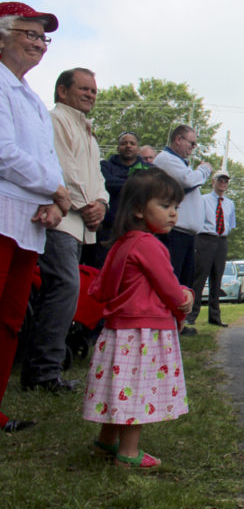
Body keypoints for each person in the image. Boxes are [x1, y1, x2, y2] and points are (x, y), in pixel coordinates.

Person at [83, 168, 193, 469]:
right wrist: (185, 297)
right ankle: (129, 454)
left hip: (117, 332)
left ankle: (105, 441)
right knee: (136, 391)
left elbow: (102, 287)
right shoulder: (149, 245)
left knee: (119, 386)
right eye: (165, 206)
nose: (173, 214)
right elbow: (169, 287)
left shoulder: (120, 244)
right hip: (142, 332)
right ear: (138, 210)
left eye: (176, 208)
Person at [0, 1, 70, 432]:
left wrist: (57, 200)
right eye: (29, 34)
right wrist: (56, 189)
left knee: (9, 320)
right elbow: (5, 153)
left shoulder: (28, 94)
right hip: (4, 214)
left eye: (43, 38)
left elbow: (46, 158)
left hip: (29, 222)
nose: (39, 45)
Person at [21, 67, 109, 393]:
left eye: (94, 91)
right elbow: (62, 169)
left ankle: (43, 369)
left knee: (63, 292)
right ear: (62, 91)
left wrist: (102, 203)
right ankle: (43, 372)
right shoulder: (55, 120)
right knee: (63, 290)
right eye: (84, 89)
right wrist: (88, 205)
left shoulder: (86, 129)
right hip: (61, 218)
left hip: (79, 222)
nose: (91, 95)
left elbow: (96, 176)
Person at [152, 125, 211, 336]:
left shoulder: (180, 163)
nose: (193, 148)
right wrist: (204, 169)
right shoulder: (166, 160)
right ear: (178, 139)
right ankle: (165, 322)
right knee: (172, 279)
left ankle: (177, 323)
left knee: (184, 282)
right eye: (191, 143)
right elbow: (188, 180)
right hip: (173, 232)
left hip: (187, 234)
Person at [87, 131, 149, 267]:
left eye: (132, 143)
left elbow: (149, 187)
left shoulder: (148, 169)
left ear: (138, 149)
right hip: (108, 230)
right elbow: (106, 183)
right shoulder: (105, 166)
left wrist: (121, 183)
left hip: (136, 230)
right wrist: (134, 183)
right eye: (124, 143)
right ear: (118, 147)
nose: (128, 146)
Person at [190, 169, 235, 327]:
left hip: (221, 240)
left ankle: (215, 316)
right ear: (213, 182)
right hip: (205, 239)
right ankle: (191, 315)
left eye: (225, 181)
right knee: (199, 278)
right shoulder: (203, 200)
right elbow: (197, 219)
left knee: (217, 278)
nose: (223, 183)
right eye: (220, 180)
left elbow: (230, 224)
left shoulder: (229, 203)